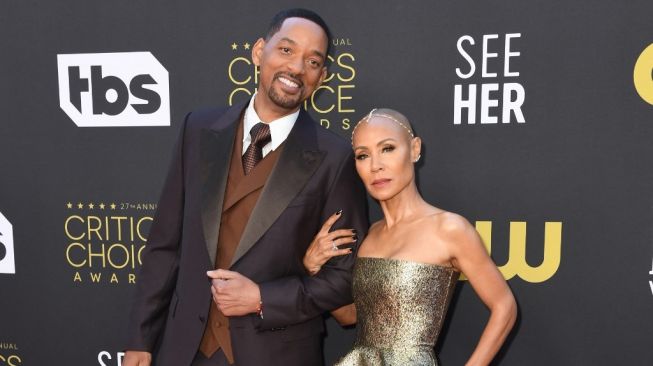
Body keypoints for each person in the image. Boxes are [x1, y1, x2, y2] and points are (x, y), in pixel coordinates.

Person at [123, 9, 368, 366]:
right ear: (258, 52)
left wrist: (262, 298)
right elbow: (164, 247)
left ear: (322, 77)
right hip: (187, 350)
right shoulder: (198, 129)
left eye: (312, 61)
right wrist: (140, 340)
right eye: (286, 50)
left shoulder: (335, 157)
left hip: (278, 353)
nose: (297, 68)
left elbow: (345, 279)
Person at [303, 108, 517, 365]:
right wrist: (314, 271)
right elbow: (349, 316)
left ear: (415, 150)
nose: (376, 166)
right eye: (363, 155)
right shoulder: (368, 236)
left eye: (388, 149)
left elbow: (504, 306)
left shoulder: (449, 229)